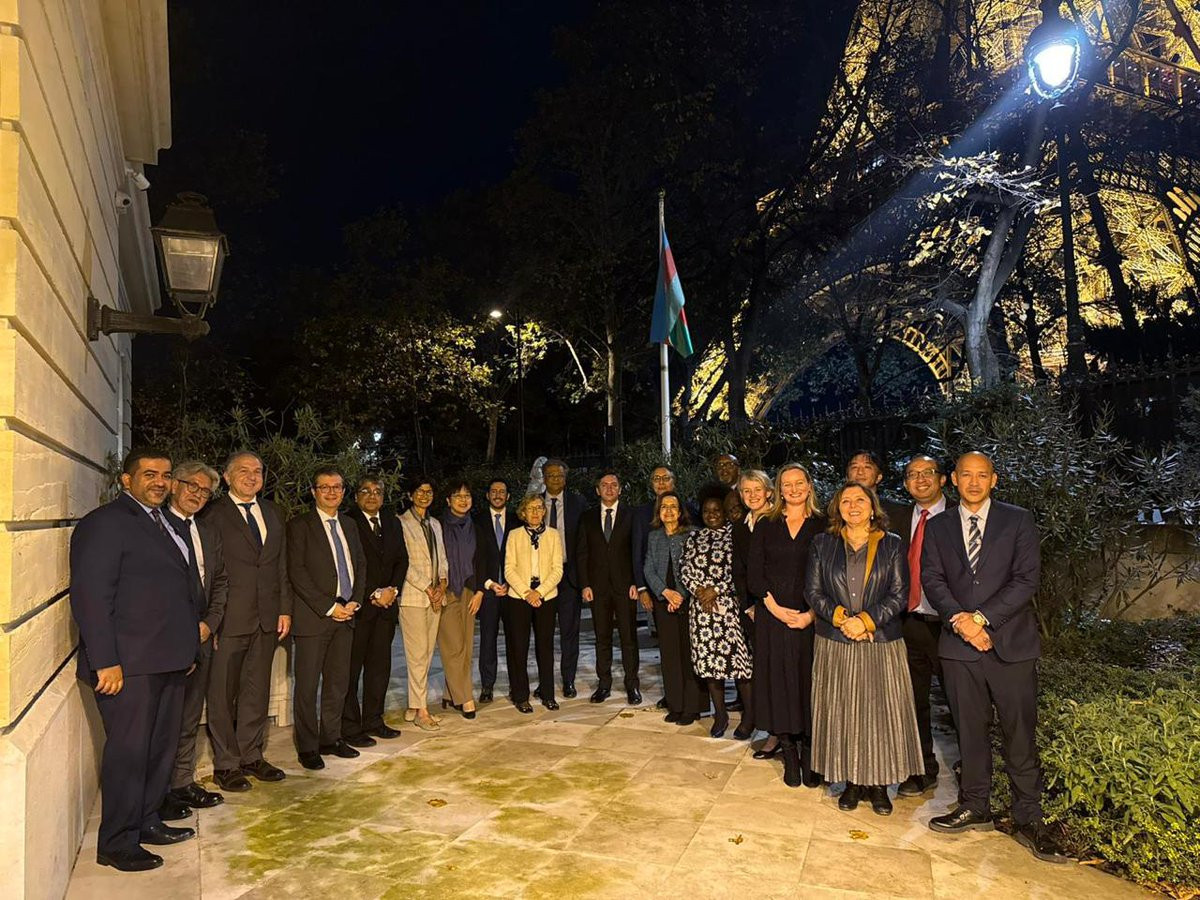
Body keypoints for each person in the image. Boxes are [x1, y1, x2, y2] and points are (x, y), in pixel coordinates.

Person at [921, 452, 1064, 863]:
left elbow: (1026, 579)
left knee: (1019, 733)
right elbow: (932, 579)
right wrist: (961, 623)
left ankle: (1028, 817)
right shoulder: (939, 526)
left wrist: (982, 619)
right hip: (959, 648)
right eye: (966, 475)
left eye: (981, 475)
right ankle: (975, 804)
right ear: (953, 479)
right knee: (970, 731)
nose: (973, 482)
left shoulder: (1017, 520)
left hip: (1011, 646)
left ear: (994, 480)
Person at [69, 448, 199, 871]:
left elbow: (179, 593)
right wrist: (104, 660)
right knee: (128, 753)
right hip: (128, 665)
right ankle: (117, 841)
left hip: (169, 659)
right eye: (149, 474)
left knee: (159, 750)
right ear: (127, 480)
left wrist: (187, 650)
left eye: (165, 474)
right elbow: (91, 596)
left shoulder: (166, 524)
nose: (160, 482)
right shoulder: (105, 523)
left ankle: (147, 821)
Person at [806, 481, 923, 816]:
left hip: (880, 640)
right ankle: (852, 783)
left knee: (879, 714)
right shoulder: (822, 543)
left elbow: (899, 594)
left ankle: (879, 786)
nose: (853, 506)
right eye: (846, 501)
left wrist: (867, 621)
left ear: (873, 507)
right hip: (836, 640)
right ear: (837, 508)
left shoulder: (892, 544)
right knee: (842, 712)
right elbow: (813, 592)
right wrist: (844, 619)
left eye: (860, 500)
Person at [203, 451, 292, 793]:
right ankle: (226, 764)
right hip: (228, 619)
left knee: (257, 691)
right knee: (222, 694)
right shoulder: (212, 514)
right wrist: (212, 619)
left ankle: (252, 755)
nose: (252, 476)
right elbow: (208, 570)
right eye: (243, 470)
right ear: (226, 477)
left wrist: (284, 609)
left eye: (257, 471)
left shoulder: (273, 512)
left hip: (267, 618)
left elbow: (280, 566)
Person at [747, 463, 825, 788]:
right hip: (772, 617)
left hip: (811, 618)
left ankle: (809, 751)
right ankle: (789, 751)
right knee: (777, 682)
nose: (793, 489)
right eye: (786, 484)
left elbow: (830, 574)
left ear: (809, 485)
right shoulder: (767, 524)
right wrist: (775, 609)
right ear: (779, 489)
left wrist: (810, 614)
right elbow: (754, 572)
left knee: (807, 682)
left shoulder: (824, 524)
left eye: (799, 483)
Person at [160, 461, 228, 821]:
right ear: (174, 485)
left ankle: (181, 783)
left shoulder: (208, 531)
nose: (198, 494)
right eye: (192, 486)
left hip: (202, 636)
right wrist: (187, 629)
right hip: (168, 640)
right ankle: (158, 792)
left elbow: (220, 582)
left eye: (205, 491)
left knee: (189, 716)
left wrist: (210, 624)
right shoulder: (156, 526)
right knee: (164, 720)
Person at [287, 467, 366, 769]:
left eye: (337, 487)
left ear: (344, 492)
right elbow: (297, 572)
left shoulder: (349, 524)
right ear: (313, 492)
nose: (331, 492)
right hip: (314, 618)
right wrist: (330, 607)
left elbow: (359, 564)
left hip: (347, 616)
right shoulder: (300, 526)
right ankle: (308, 746)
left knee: (337, 683)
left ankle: (331, 738)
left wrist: (356, 600)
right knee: (307, 687)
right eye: (325, 487)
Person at [894, 454, 952, 797]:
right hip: (909, 621)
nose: (920, 479)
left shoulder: (960, 516)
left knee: (961, 703)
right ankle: (921, 770)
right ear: (905, 483)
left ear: (942, 479)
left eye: (928, 472)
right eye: (912, 474)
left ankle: (974, 774)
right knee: (913, 702)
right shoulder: (897, 518)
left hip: (950, 625)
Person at [680, 485, 754, 738]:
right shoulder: (694, 538)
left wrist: (717, 590)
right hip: (701, 611)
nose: (711, 515)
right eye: (706, 511)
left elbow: (741, 571)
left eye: (716, 510)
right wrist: (700, 591)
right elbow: (684, 569)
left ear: (724, 512)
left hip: (729, 609)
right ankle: (720, 715)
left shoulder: (735, 534)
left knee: (740, 664)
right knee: (711, 665)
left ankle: (750, 717)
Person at [342, 475, 408, 746]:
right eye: (366, 491)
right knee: (351, 669)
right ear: (356, 496)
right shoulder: (348, 521)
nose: (372, 496)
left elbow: (402, 560)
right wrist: (374, 593)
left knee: (379, 668)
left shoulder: (392, 522)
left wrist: (392, 590)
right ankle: (349, 725)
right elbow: (350, 564)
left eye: (377, 491)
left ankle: (373, 720)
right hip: (359, 608)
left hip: (385, 610)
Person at [576, 469, 641, 704]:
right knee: (602, 637)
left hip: (625, 587)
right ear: (597, 490)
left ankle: (632, 685)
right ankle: (604, 684)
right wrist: (585, 584)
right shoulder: (587, 517)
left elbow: (636, 551)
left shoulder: (631, 515)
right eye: (605, 485)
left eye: (614, 484)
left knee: (628, 638)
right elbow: (582, 554)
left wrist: (636, 583)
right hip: (598, 588)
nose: (609, 488)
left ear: (620, 489)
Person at [643, 491, 705, 725]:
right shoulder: (654, 537)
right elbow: (648, 569)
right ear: (658, 512)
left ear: (680, 512)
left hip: (689, 603)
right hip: (664, 603)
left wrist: (681, 595)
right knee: (669, 655)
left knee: (689, 655)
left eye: (673, 507)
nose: (668, 511)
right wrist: (665, 592)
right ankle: (676, 705)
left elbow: (698, 569)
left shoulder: (693, 534)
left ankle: (693, 707)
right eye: (664, 507)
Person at [732, 469, 778, 759]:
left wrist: (769, 604)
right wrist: (748, 605)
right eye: (746, 491)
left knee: (781, 672)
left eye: (757, 489)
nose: (752, 495)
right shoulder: (740, 526)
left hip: (780, 607)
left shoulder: (779, 519)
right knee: (763, 671)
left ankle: (788, 734)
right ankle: (772, 731)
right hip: (753, 611)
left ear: (769, 492)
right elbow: (739, 570)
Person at [504, 493, 565, 712]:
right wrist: (526, 593)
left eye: (539, 508)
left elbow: (558, 569)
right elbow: (509, 569)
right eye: (531, 508)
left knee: (545, 647)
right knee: (519, 647)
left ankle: (547, 694)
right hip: (519, 597)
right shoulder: (514, 535)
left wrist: (538, 592)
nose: (535, 512)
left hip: (546, 596)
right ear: (523, 512)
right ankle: (521, 696)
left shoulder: (553, 535)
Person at [398, 474, 448, 730]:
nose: (424, 495)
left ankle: (413, 704)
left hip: (435, 597)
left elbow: (442, 558)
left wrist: (442, 585)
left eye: (429, 491)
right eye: (419, 491)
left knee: (427, 654)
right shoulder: (402, 523)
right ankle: (422, 711)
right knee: (417, 654)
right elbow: (404, 562)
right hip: (414, 597)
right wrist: (428, 588)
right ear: (410, 494)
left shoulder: (435, 524)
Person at [438, 479, 487, 719]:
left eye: (467, 496)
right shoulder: (438, 526)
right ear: (448, 501)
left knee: (466, 648)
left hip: (469, 589)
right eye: (457, 496)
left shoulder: (475, 527)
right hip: (446, 589)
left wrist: (479, 592)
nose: (463, 500)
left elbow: (482, 561)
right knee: (453, 647)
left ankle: (450, 693)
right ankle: (465, 698)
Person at [542, 459, 585, 697]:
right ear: (544, 478)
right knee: (544, 633)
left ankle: (568, 680)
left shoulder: (578, 503)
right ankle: (545, 682)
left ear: (565, 479)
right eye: (551, 475)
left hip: (569, 577)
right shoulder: (535, 503)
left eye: (559, 475)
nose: (555, 479)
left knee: (569, 631)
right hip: (542, 577)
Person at [475, 477, 518, 704]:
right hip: (489, 590)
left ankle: (516, 684)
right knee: (487, 640)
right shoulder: (477, 521)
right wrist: (489, 583)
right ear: (487, 495)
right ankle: (487, 686)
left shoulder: (518, 520)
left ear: (508, 496)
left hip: (513, 591)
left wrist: (513, 583)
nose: (498, 495)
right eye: (493, 491)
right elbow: (475, 558)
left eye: (502, 491)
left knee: (515, 640)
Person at [846, 448, 908, 524]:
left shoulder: (898, 511)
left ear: (878, 477)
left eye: (867, 467)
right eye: (854, 467)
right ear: (847, 477)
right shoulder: (834, 509)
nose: (860, 472)